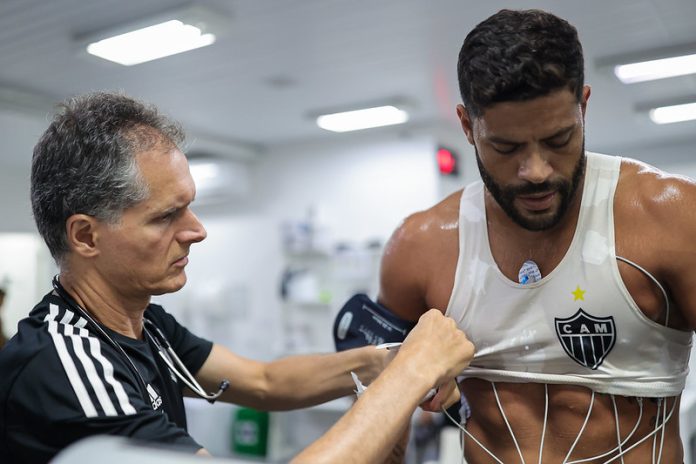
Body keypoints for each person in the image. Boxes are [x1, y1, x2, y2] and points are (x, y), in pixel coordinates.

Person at [0, 91, 474, 464]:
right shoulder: (69, 366)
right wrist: (408, 376)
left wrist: (380, 364)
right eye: (166, 216)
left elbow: (264, 381)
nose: (197, 230)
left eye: (190, 206)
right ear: (85, 236)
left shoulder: (145, 326)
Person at [378, 8, 695, 464]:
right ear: (467, 126)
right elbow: (372, 390)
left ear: (583, 106)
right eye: (506, 148)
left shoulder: (672, 217)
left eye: (559, 139)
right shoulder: (422, 245)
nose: (536, 171)